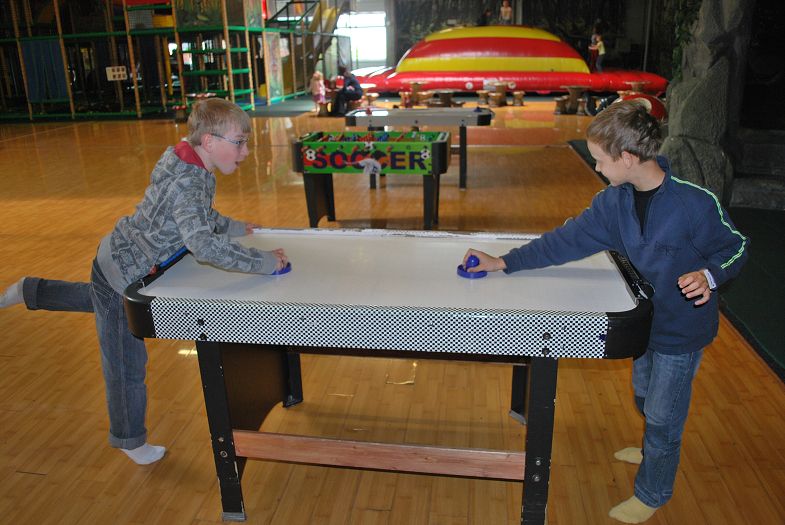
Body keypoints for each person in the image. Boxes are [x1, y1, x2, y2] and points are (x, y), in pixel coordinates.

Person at [463, 100, 748, 524]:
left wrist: (709, 275)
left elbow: (736, 247)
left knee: (664, 418)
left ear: (627, 158)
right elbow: (565, 241)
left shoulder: (694, 204)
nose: (596, 167)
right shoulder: (612, 202)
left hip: (682, 331)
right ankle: (652, 446)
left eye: (600, 160)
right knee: (643, 395)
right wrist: (504, 261)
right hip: (644, 324)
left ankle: (653, 491)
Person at [1, 98, 289, 465]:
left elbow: (198, 215)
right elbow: (202, 245)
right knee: (125, 363)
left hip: (119, 264)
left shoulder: (193, 163)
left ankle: (29, 290)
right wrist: (264, 262)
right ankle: (129, 439)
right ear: (209, 141)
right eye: (240, 142)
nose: (246, 151)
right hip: (123, 275)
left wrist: (233, 227)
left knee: (97, 300)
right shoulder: (189, 179)